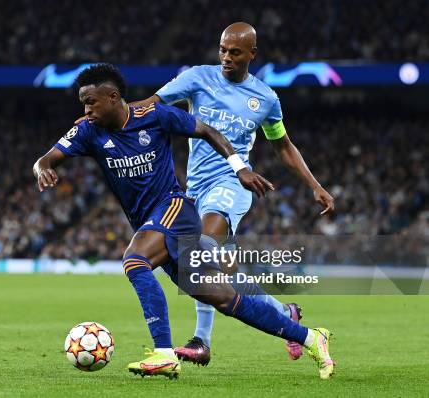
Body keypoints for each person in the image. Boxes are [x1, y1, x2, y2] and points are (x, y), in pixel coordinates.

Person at [35, 63, 335, 379]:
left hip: (174, 209)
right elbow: (45, 159)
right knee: (224, 298)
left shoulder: (155, 116)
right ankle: (311, 337)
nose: (86, 109)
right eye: (83, 103)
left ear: (112, 97)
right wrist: (42, 169)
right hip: (150, 221)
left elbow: (206, 129)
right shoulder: (87, 131)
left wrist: (239, 167)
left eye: (91, 101)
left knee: (135, 261)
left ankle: (163, 353)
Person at [93, 21, 336, 365]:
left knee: (200, 252)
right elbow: (150, 105)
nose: (226, 58)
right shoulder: (197, 78)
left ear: (252, 54)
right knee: (223, 275)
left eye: (235, 52)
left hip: (233, 184)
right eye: (222, 50)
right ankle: (286, 312)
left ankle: (200, 341)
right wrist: (101, 115)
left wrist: (315, 185)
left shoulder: (265, 99)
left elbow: (283, 146)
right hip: (194, 188)